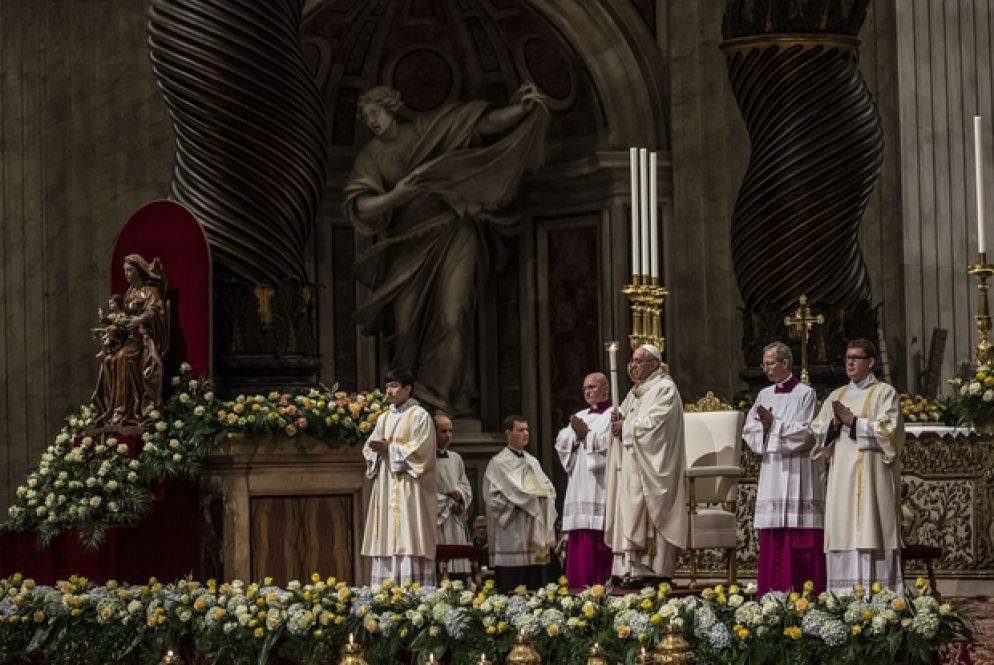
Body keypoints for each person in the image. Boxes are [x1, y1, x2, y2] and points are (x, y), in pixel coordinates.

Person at [343, 83, 549, 417]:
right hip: (406, 242)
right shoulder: (371, 156)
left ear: (391, 107)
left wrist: (521, 110)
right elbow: (361, 206)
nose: (373, 123)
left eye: (376, 114)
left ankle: (446, 403)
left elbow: (481, 124)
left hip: (454, 232)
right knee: (406, 326)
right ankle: (409, 406)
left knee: (454, 317)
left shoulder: (428, 129)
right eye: (367, 119)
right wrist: (398, 195)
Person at [810, 338, 905, 593]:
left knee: (872, 529)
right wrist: (834, 426)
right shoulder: (837, 395)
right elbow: (818, 432)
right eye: (847, 358)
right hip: (842, 480)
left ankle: (881, 602)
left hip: (873, 480)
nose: (850, 362)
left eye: (856, 358)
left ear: (870, 362)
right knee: (842, 531)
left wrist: (853, 422)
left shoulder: (884, 393)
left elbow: (889, 434)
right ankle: (841, 601)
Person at [742, 341, 826, 595]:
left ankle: (803, 588)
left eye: (769, 363)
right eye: (764, 364)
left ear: (785, 363)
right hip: (773, 470)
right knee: (774, 531)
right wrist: (766, 428)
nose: (765, 369)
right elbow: (750, 430)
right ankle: (771, 589)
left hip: (798, 470)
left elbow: (806, 433)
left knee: (798, 529)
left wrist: (774, 424)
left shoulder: (805, 394)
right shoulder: (764, 395)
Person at [604, 344, 688, 587]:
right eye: (633, 361)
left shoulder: (665, 389)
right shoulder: (635, 392)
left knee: (650, 509)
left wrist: (627, 427)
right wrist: (619, 421)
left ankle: (657, 571)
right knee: (631, 510)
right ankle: (634, 570)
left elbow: (657, 424)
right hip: (634, 463)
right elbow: (628, 422)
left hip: (654, 465)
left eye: (640, 361)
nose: (634, 366)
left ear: (655, 364)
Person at [360, 368, 437, 586]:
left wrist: (390, 449)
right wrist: (375, 450)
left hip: (410, 489)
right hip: (386, 486)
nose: (389, 391)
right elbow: (369, 448)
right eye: (387, 386)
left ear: (408, 389)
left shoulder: (420, 417)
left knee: (410, 535)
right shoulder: (383, 418)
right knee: (387, 537)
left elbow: (422, 452)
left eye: (394, 386)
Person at [91, 254, 169, 428]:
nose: (126, 274)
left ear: (138, 271)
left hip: (142, 338)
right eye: (124, 271)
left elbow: (156, 311)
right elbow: (122, 315)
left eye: (129, 270)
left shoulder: (150, 291)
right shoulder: (129, 294)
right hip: (125, 337)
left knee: (123, 358)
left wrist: (138, 320)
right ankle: (112, 409)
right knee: (109, 360)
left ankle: (129, 409)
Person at [483, 415, 557, 591]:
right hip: (513, 528)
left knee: (535, 581)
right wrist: (517, 504)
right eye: (520, 430)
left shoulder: (532, 460)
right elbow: (492, 498)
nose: (526, 434)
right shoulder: (498, 463)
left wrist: (545, 497)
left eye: (527, 429)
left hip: (533, 530)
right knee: (513, 583)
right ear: (508, 433)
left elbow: (549, 489)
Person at [554, 372, 613, 588]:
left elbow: (612, 445)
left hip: (600, 484)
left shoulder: (614, 415)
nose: (588, 391)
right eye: (585, 388)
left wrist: (586, 435)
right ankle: (577, 587)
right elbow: (562, 442)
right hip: (579, 486)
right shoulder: (579, 416)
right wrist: (578, 435)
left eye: (593, 387)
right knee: (579, 538)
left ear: (605, 389)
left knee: (599, 540)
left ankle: (601, 584)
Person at [434, 413, 473, 574]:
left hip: (455, 517)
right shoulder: (423, 458)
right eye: (443, 431)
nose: (448, 435)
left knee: (458, 567)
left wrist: (460, 497)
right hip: (436, 518)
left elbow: (465, 485)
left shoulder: (456, 458)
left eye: (450, 431)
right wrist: (445, 501)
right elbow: (422, 492)